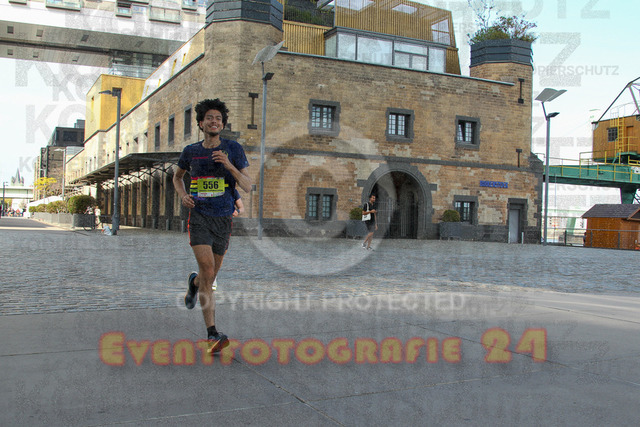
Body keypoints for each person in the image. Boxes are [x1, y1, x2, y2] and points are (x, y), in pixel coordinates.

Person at [172, 98, 252, 354]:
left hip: (223, 219)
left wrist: (228, 164)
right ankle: (212, 334)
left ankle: (194, 283)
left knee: (209, 277)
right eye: (209, 118)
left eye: (218, 118)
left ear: (223, 124)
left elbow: (248, 185)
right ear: (201, 123)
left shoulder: (233, 148)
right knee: (207, 269)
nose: (214, 121)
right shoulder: (190, 151)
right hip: (199, 217)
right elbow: (177, 177)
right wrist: (182, 195)